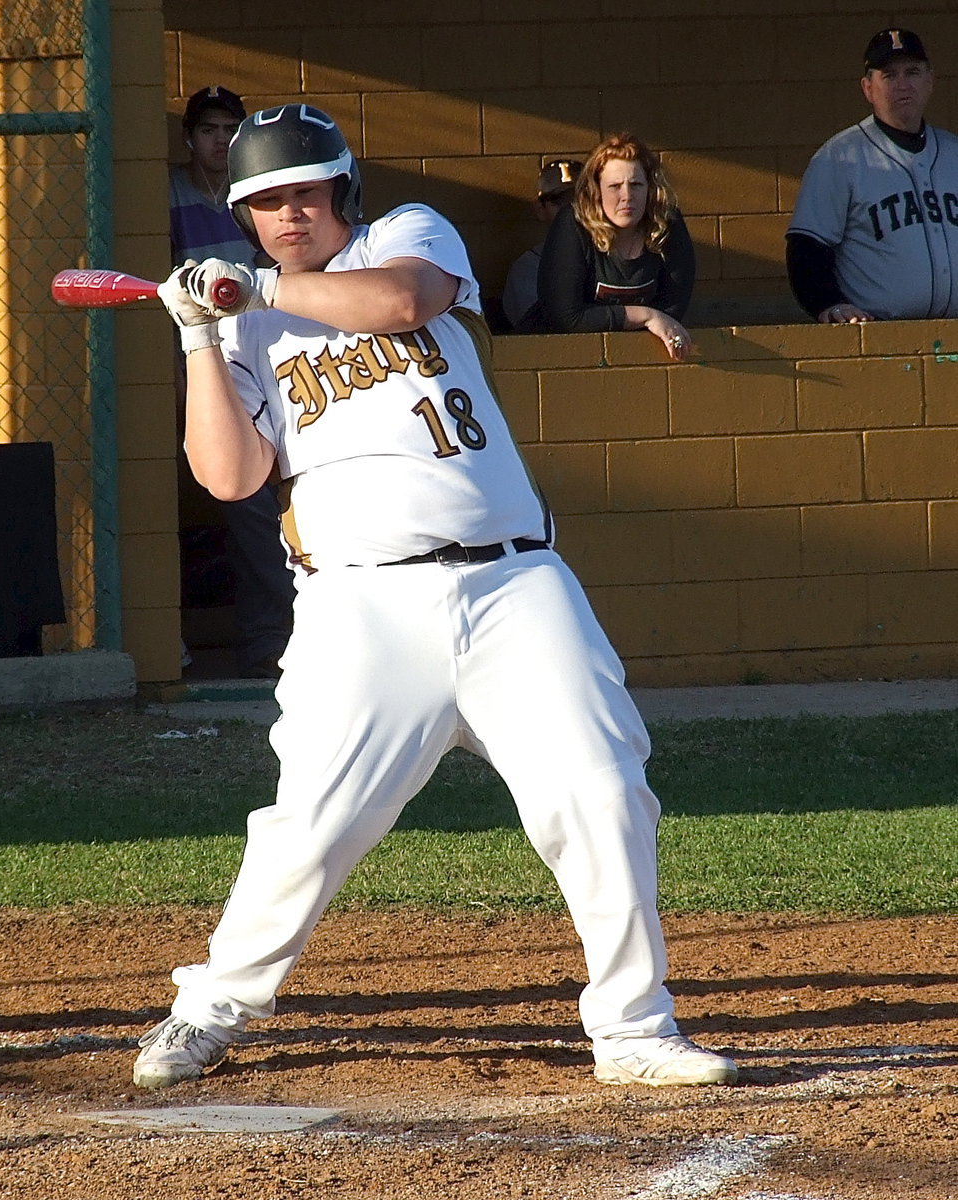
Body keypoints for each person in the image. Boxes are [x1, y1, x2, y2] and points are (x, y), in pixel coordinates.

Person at [133, 103, 738, 1092]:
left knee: (600, 786)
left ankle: (631, 1027)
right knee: (314, 826)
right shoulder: (244, 319)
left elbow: (403, 304)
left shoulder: (404, 235)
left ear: (341, 193)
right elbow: (229, 475)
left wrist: (256, 287)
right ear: (243, 212)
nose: (287, 214)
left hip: (512, 583)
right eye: (264, 202)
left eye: (304, 193)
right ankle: (211, 1006)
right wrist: (202, 335)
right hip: (358, 608)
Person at [170, 85, 294, 677]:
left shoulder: (259, 192)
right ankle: (267, 641)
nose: (220, 141)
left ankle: (283, 635)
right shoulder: (167, 194)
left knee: (276, 495)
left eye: (230, 130)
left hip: (274, 356)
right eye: (209, 130)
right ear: (190, 137)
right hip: (204, 366)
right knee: (241, 499)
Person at [786, 29, 958, 324]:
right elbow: (806, 248)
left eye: (913, 72)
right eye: (889, 75)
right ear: (868, 88)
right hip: (877, 337)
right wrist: (827, 304)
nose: (903, 84)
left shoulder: (954, 153)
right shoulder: (839, 158)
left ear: (931, 81)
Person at [537, 133, 695, 360]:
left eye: (636, 185)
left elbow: (672, 310)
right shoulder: (572, 223)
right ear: (596, 191)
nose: (626, 196)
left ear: (650, 189)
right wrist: (646, 316)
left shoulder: (668, 223)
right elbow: (566, 317)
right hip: (562, 359)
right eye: (614, 186)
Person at [500, 158, 583, 332]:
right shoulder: (528, 268)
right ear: (540, 208)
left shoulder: (615, 258)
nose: (575, 209)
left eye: (584, 198)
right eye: (561, 201)